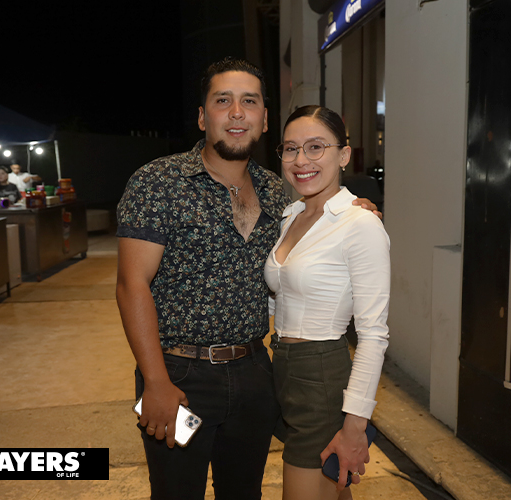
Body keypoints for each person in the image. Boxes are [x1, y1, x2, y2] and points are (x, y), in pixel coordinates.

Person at [115, 58, 380, 500]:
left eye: (249, 102)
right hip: (179, 375)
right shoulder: (159, 182)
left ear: (264, 119)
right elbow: (131, 285)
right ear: (203, 117)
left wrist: (355, 209)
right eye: (223, 101)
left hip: (256, 373)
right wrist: (155, 380)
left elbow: (311, 238)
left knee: (244, 493)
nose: (237, 113)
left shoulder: (278, 192)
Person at [265, 105, 390, 500]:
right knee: (331, 492)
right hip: (283, 367)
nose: (301, 160)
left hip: (321, 375)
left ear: (344, 155)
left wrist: (355, 426)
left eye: (315, 147)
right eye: (290, 148)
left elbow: (373, 335)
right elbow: (282, 295)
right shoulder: (290, 215)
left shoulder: (360, 224)